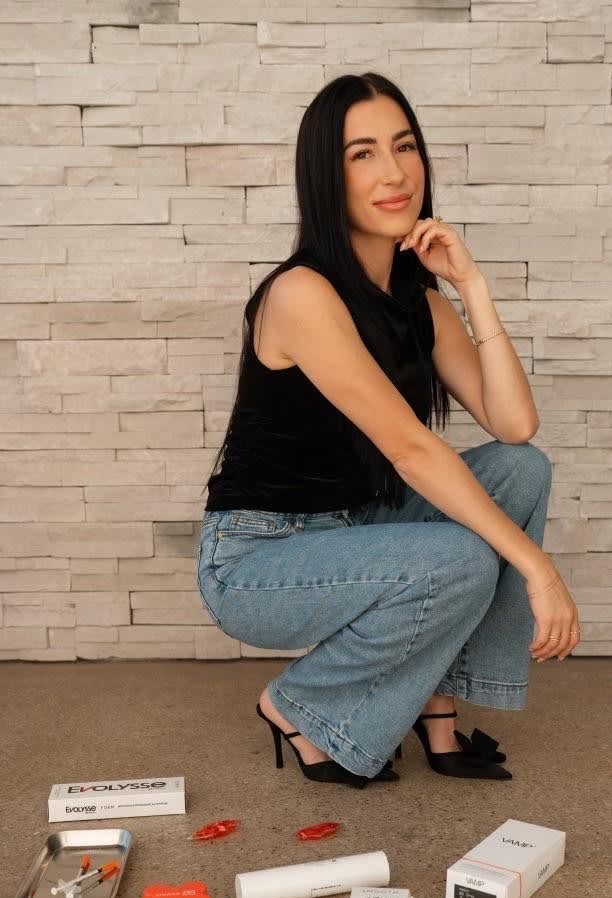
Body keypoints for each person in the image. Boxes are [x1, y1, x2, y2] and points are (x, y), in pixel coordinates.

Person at [197, 71, 580, 790]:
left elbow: (515, 423)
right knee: (462, 556)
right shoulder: (301, 293)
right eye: (363, 154)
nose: (395, 172)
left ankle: (436, 709)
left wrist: (472, 289)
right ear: (326, 176)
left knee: (521, 468)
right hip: (257, 559)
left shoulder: (420, 303)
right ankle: (297, 704)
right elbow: (409, 448)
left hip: (353, 526)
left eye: (404, 147)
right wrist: (538, 568)